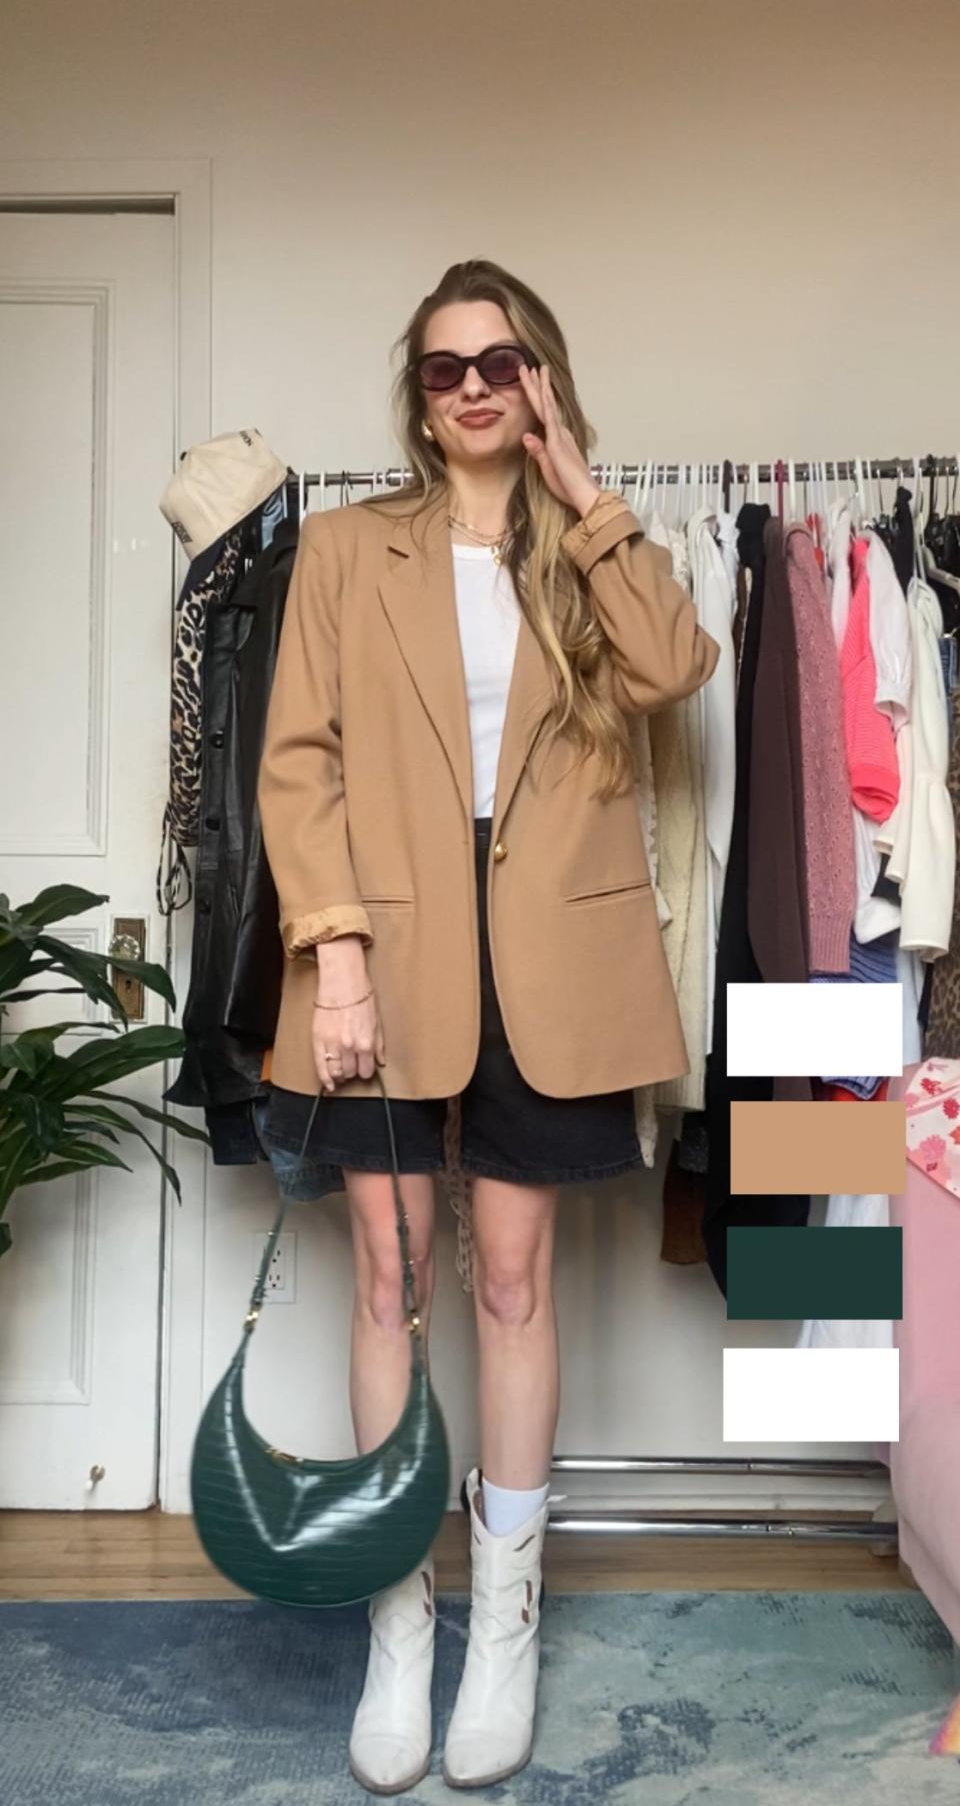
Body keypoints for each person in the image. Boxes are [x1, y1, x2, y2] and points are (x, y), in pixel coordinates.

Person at [256, 256, 719, 1793]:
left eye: (502, 362)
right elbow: (298, 762)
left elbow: (674, 669)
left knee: (512, 1280)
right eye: (447, 365)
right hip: (377, 950)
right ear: (417, 392)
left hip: (547, 961)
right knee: (387, 1282)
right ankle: (403, 1620)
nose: (472, 385)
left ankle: (505, 1625)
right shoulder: (342, 548)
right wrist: (334, 957)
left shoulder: (585, 546)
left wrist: (584, 493)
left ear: (538, 380)